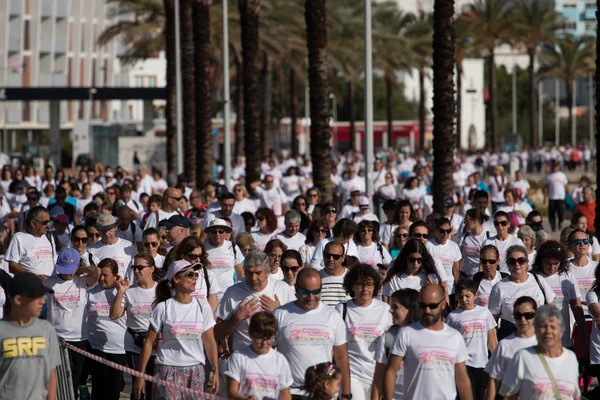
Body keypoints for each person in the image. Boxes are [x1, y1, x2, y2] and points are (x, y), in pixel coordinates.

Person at [133, 260, 220, 400]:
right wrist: (140, 376)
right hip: (167, 371)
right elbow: (149, 343)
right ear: (176, 279)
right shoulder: (163, 308)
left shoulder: (203, 306)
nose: (194, 278)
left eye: (196, 275)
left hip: (195, 371)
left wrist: (215, 369)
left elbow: (209, 341)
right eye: (190, 274)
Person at [383, 284, 473, 400]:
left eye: (433, 306)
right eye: (423, 306)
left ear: (443, 304)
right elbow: (390, 371)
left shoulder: (455, 337)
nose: (427, 310)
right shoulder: (406, 333)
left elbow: (462, 380)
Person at [274, 268, 352, 399]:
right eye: (305, 292)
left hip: (323, 393)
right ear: (296, 289)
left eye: (316, 292)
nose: (311, 297)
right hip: (289, 392)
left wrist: (346, 393)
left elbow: (341, 358)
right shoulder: (280, 314)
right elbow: (268, 354)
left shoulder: (333, 316)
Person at [43, 248, 99, 397]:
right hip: (56, 338)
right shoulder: (49, 282)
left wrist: (79, 269)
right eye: (64, 269)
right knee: (57, 377)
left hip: (79, 338)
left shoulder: (82, 281)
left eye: (70, 270)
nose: (67, 273)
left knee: (75, 377)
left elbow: (97, 272)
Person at [214, 250, 294, 352]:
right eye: (249, 273)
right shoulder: (233, 292)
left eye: (258, 273)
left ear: (268, 272)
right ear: (244, 270)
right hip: (244, 360)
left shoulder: (282, 289)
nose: (253, 278)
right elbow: (218, 333)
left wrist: (279, 312)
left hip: (275, 360)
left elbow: (296, 327)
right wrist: (237, 317)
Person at [499, 305, 581, 399]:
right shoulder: (522, 357)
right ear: (536, 331)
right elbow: (506, 394)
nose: (548, 331)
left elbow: (575, 395)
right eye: (543, 327)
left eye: (553, 327)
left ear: (561, 332)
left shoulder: (570, 358)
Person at [0, 272, 61, 400]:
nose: (42, 302)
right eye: (36, 297)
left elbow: (51, 373)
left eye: (43, 296)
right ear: (18, 300)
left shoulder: (47, 329)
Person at [335, 264, 392, 400]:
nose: (365, 289)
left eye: (369, 284)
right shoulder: (341, 309)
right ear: (352, 286)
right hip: (352, 375)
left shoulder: (386, 309)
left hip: (378, 375)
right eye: (360, 284)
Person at [109, 252, 158, 399]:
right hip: (135, 344)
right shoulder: (129, 291)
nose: (136, 271)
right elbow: (114, 315)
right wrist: (120, 292)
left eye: (140, 267)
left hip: (156, 342)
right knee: (138, 385)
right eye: (134, 267)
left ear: (152, 269)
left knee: (153, 387)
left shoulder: (161, 290)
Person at [488, 245, 556, 340]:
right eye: (512, 261)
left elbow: (552, 311)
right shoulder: (499, 288)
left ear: (527, 263)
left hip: (538, 340)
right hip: (510, 340)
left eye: (521, 260)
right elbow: (492, 324)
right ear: (507, 264)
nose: (517, 264)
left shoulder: (539, 281)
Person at [445, 279, 497, 399]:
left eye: (468, 296)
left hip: (482, 363)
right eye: (460, 297)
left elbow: (492, 338)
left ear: (475, 295)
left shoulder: (484, 312)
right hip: (464, 364)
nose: (464, 300)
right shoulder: (453, 317)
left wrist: (496, 360)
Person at [224, 311, 293, 400]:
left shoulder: (280, 360)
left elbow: (285, 395)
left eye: (268, 339)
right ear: (251, 334)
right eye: (259, 338)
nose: (264, 344)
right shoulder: (238, 357)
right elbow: (231, 392)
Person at [531, 240, 586, 349]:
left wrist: (583, 332)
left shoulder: (568, 276)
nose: (552, 268)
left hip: (563, 339)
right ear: (540, 261)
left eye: (556, 263)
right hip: (538, 339)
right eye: (548, 264)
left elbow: (576, 306)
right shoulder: (532, 277)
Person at [87, 258, 128, 400]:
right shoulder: (91, 292)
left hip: (117, 348)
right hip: (95, 347)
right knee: (98, 388)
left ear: (116, 276)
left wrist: (120, 291)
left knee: (113, 390)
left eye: (106, 275)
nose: (102, 279)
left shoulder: (123, 292)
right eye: (100, 275)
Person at [485, 296, 538, 400]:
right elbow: (494, 380)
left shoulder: (545, 343)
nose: (523, 320)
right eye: (518, 315)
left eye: (528, 315)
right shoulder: (504, 345)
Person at [370, 289, 419, 400]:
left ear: (410, 309)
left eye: (395, 307)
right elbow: (378, 379)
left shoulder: (427, 337)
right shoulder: (388, 338)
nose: (390, 310)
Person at [172, 236, 220, 312]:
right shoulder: (172, 274)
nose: (198, 259)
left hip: (202, 322)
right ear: (182, 255)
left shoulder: (208, 276)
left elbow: (213, 309)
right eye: (193, 256)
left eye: (200, 256)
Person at [6, 205, 56, 279]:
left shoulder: (49, 236)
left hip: (51, 285)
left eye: (49, 221)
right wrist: (34, 277)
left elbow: (54, 260)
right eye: (45, 222)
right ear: (33, 223)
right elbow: (12, 266)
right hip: (30, 286)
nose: (48, 225)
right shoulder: (19, 238)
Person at [204, 218, 244, 299]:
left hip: (229, 295)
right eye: (214, 231)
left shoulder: (233, 247)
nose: (217, 234)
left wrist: (241, 293)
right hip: (208, 295)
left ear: (226, 233)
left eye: (221, 231)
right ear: (209, 234)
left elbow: (240, 273)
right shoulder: (202, 248)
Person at [426, 217, 462, 299]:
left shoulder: (454, 246)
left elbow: (456, 271)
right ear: (436, 230)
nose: (445, 234)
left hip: (450, 289)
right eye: (442, 231)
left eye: (448, 231)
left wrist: (458, 290)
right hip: (434, 288)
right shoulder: (428, 245)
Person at [457, 208, 490, 278]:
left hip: (479, 275)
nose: (464, 222)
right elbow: (459, 258)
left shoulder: (487, 237)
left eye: (466, 219)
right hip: (464, 275)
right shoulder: (464, 237)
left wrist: (479, 277)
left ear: (475, 221)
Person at [544, 160, 568, 232]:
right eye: (554, 166)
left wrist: (568, 195)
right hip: (552, 197)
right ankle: (553, 227)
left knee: (561, 212)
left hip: (560, 197)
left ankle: (560, 221)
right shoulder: (549, 176)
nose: (555, 167)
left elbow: (566, 186)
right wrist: (545, 197)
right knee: (551, 214)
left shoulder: (562, 175)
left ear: (558, 166)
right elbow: (546, 187)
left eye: (556, 166)